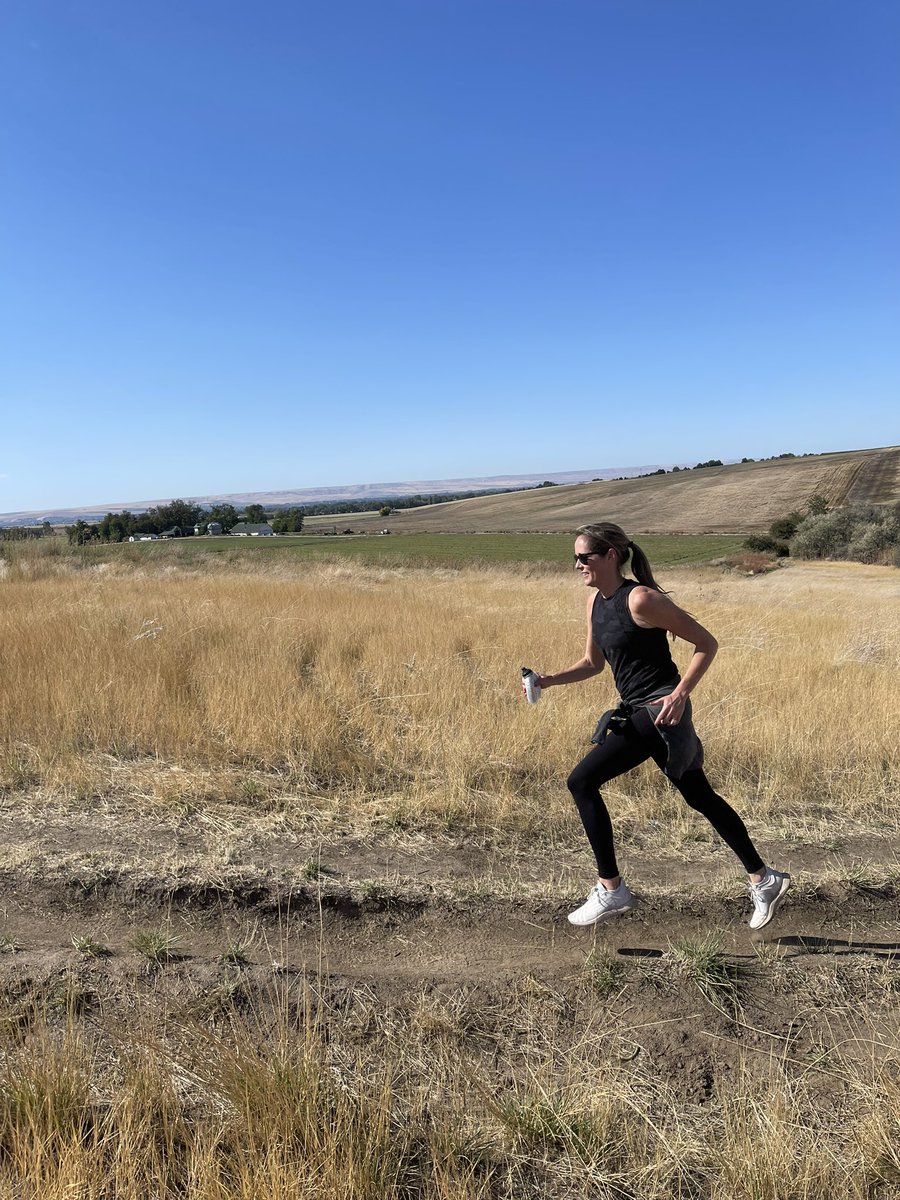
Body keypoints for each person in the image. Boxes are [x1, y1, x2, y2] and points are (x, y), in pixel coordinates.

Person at [534, 522, 790, 930]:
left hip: (661, 710)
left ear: (611, 556)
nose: (577, 564)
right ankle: (764, 878)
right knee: (699, 795)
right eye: (575, 557)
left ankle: (611, 889)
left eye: (584, 557)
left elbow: (706, 643)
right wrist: (548, 680)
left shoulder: (641, 599)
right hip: (640, 709)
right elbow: (593, 664)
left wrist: (680, 693)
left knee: (581, 781)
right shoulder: (595, 602)